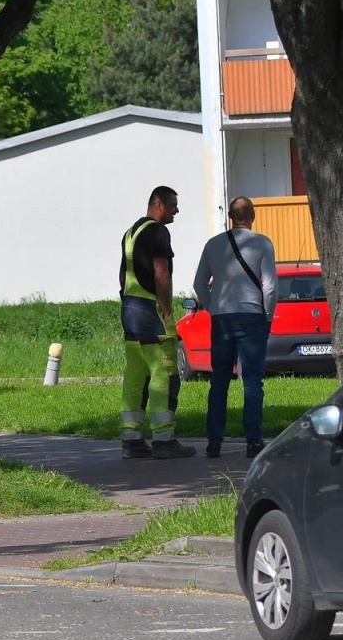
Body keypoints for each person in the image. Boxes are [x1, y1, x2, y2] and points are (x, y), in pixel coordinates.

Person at [192, 197, 277, 459]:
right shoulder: (262, 243)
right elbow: (270, 286)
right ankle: (253, 442)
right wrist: (267, 316)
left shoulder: (213, 244)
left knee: (219, 381)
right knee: (252, 381)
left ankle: (214, 442)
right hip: (252, 316)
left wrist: (212, 307)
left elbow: (198, 284)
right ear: (253, 215)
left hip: (222, 319)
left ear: (230, 215)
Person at [119, 185, 196, 459]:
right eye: (174, 205)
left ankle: (132, 439)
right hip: (149, 310)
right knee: (164, 372)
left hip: (129, 308)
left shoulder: (131, 232)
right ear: (159, 204)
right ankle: (164, 438)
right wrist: (167, 312)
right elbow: (161, 274)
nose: (177, 210)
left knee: (136, 374)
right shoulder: (158, 231)